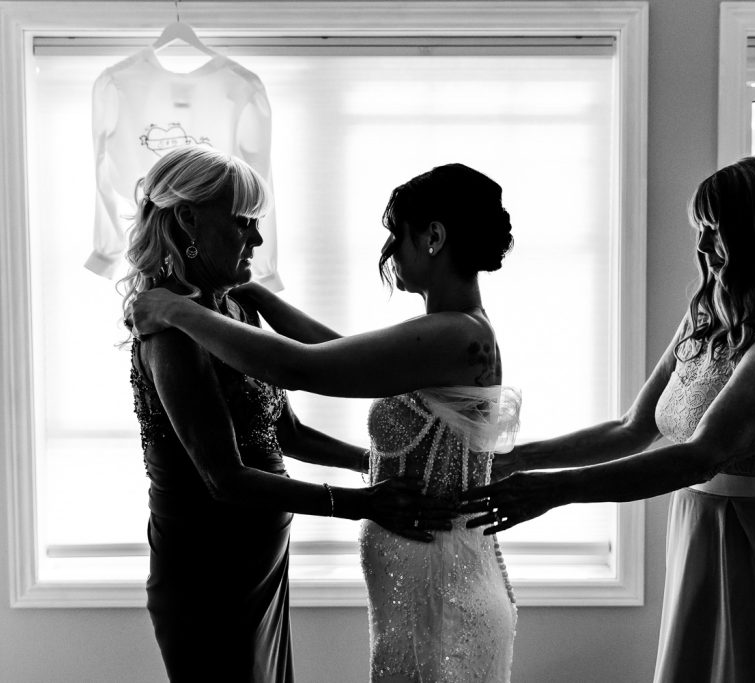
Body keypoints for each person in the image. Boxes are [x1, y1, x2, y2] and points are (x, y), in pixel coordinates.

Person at [460, 156, 755, 682]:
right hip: (703, 525)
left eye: (716, 230)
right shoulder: (705, 317)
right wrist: (517, 459)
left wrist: (553, 491)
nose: (702, 245)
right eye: (700, 229)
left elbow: (701, 456)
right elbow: (631, 429)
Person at [130, 162, 521, 682]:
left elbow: (303, 366)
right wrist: (254, 299)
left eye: (396, 234)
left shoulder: (455, 334)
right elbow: (334, 356)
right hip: (220, 572)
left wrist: (179, 311)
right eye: (244, 221)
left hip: (438, 584)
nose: (388, 251)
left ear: (433, 238)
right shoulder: (453, 332)